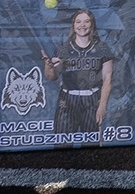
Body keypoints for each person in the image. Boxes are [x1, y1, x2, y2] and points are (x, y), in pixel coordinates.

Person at [42, 8, 114, 138]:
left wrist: (102, 106)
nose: (82, 25)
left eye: (86, 21)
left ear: (92, 24)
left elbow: (107, 79)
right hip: (67, 100)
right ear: (73, 25)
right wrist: (48, 66)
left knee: (92, 144)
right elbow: (52, 76)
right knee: (62, 144)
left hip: (92, 100)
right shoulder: (64, 49)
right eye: (78, 22)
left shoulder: (102, 48)